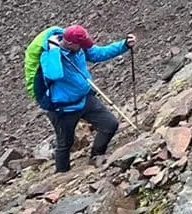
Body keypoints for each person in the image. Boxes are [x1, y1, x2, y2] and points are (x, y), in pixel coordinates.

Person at [37, 23, 133, 173]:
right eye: (80, 44)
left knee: (110, 124)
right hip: (62, 108)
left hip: (84, 98)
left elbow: (98, 53)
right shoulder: (48, 55)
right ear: (69, 43)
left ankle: (96, 156)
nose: (83, 47)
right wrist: (54, 49)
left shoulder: (79, 49)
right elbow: (54, 74)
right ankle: (62, 177)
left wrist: (124, 45)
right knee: (65, 144)